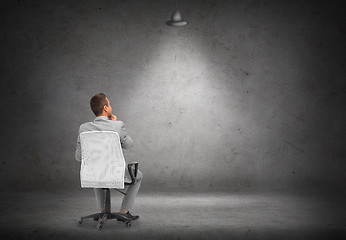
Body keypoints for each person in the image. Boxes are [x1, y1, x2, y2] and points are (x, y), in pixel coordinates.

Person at [75, 93, 142, 220]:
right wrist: (114, 123)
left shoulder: (83, 128)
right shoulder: (117, 125)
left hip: (92, 173)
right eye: (109, 104)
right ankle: (124, 211)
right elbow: (129, 144)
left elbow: (78, 157)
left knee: (97, 169)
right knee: (138, 176)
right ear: (106, 108)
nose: (110, 106)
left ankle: (102, 211)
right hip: (115, 173)